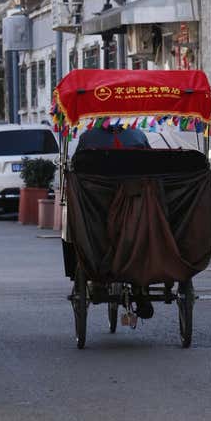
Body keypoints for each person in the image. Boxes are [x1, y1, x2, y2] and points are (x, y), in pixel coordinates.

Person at [74, 125, 155, 319]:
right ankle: (141, 287)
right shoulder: (137, 136)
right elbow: (152, 166)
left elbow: (77, 169)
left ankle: (100, 273)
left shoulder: (87, 138)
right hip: (134, 201)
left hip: (97, 205)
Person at [76, 125, 150, 151]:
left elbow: (76, 163)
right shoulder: (139, 135)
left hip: (91, 184)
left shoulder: (86, 136)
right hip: (133, 183)